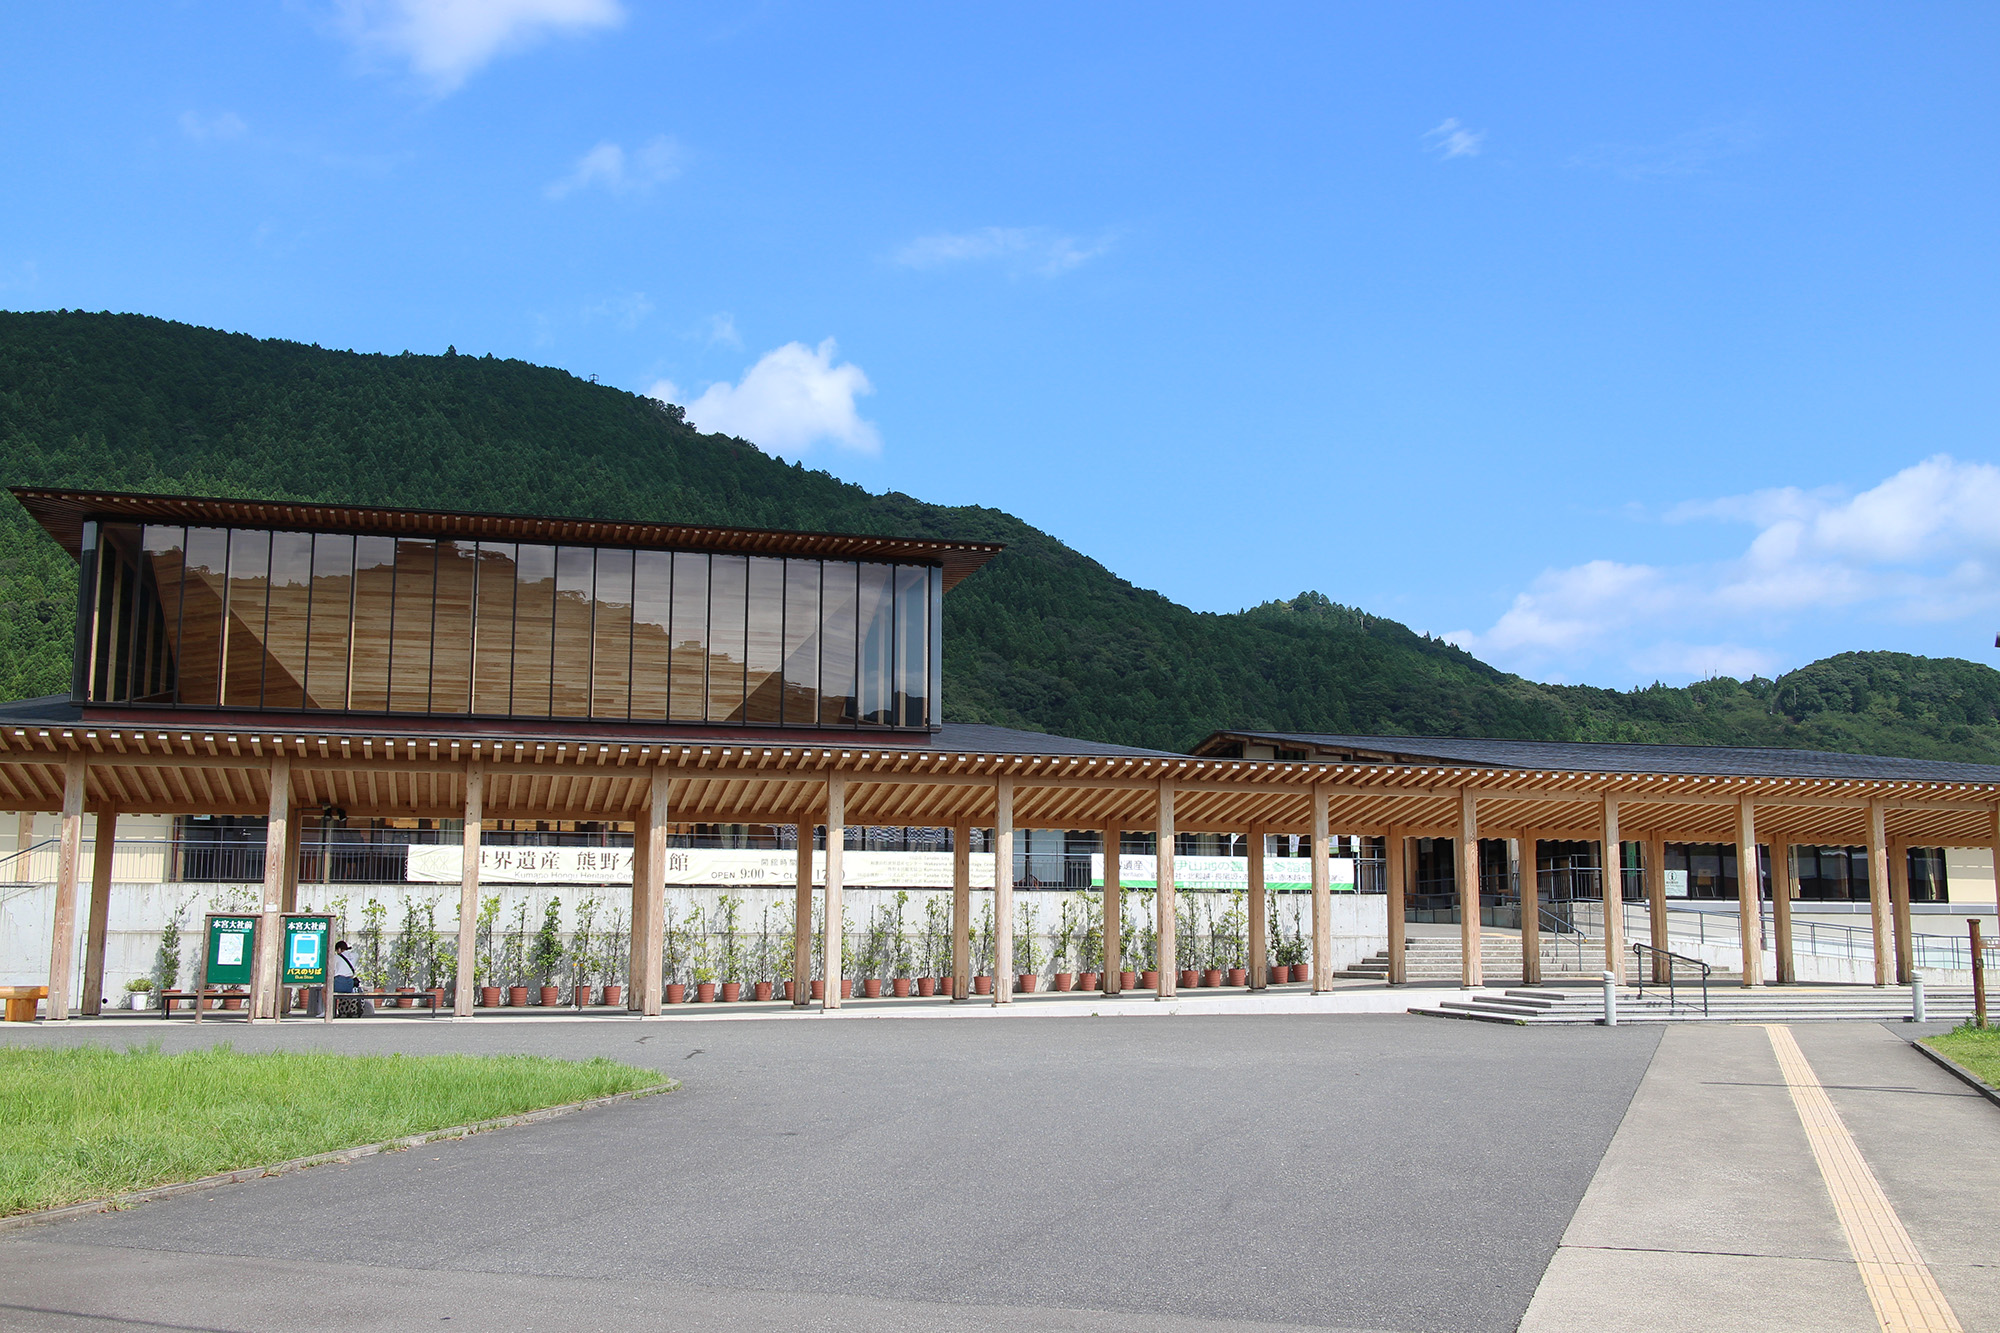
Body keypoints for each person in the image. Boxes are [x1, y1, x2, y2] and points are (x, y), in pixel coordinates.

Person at [331, 941, 372, 1016]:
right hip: (350, 983)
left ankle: (328, 1011)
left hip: (339, 981)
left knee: (325, 990)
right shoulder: (355, 955)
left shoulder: (335, 957)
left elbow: (333, 971)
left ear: (339, 949)